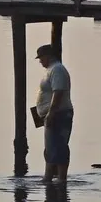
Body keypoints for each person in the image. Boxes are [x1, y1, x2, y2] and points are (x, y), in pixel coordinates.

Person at [34, 44, 73, 184]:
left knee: (59, 146)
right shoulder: (51, 70)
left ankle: (61, 179)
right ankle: (48, 177)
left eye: (41, 58)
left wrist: (51, 113)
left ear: (48, 56)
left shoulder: (57, 70)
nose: (40, 61)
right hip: (52, 114)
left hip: (59, 114)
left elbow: (58, 92)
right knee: (51, 147)